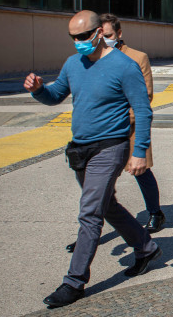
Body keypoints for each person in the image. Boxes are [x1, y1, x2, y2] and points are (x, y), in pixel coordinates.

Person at [25, 10, 161, 308]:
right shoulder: (73, 64)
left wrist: (139, 151)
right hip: (80, 148)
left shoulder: (125, 66)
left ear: (99, 33)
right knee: (106, 205)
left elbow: (144, 109)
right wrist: (38, 90)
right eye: (74, 38)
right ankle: (145, 247)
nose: (79, 43)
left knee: (90, 213)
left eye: (84, 36)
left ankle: (74, 282)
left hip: (110, 147)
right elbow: (55, 95)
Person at [63, 14, 166, 253]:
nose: (105, 39)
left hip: (127, 129)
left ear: (117, 34)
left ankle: (154, 212)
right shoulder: (85, 59)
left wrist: (115, 117)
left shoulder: (135, 59)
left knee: (140, 171)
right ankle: (90, 239)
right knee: (99, 195)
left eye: (109, 35)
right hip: (101, 137)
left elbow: (144, 98)